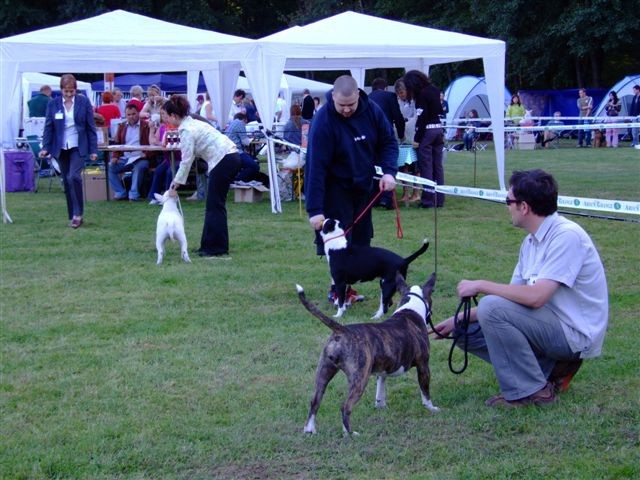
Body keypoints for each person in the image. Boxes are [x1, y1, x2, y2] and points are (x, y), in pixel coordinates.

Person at [432, 169, 608, 408]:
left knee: (491, 306)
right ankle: (553, 370)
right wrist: (458, 319)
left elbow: (535, 298)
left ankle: (532, 392)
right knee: (466, 330)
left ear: (524, 207)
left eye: (508, 202)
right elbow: (513, 300)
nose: (507, 207)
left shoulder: (567, 237)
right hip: (549, 325)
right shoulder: (531, 242)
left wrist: (482, 285)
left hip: (574, 334)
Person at [305, 75, 398, 303]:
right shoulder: (323, 120)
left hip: (364, 185)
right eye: (341, 105)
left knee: (361, 239)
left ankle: (350, 289)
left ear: (359, 95)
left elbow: (388, 141)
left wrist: (388, 171)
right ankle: (337, 290)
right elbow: (315, 167)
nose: (346, 110)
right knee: (339, 240)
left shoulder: (373, 111)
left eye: (351, 105)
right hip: (335, 187)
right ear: (333, 98)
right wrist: (315, 209)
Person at [164, 95, 241, 258]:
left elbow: (186, 160)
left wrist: (175, 183)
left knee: (215, 206)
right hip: (228, 157)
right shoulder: (193, 121)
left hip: (224, 159)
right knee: (212, 204)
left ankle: (216, 248)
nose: (165, 120)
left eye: (166, 115)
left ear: (173, 116)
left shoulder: (186, 130)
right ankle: (207, 245)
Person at [39, 74, 97, 228]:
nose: (70, 94)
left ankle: (78, 214)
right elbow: (49, 127)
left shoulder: (83, 102)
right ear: (61, 90)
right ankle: (73, 214)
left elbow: (91, 127)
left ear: (76, 90)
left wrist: (93, 149)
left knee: (74, 177)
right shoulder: (53, 104)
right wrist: (45, 147)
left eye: (72, 91)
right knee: (66, 181)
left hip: (78, 145)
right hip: (60, 147)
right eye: (66, 92)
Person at [402, 70, 444, 208]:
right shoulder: (435, 90)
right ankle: (440, 198)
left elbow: (422, 118)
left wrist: (417, 139)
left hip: (428, 132)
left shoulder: (421, 95)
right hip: (439, 129)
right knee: (438, 166)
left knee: (426, 166)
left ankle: (428, 200)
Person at [369, 77, 405, 209]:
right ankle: (386, 198)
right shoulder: (390, 96)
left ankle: (373, 198)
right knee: (387, 165)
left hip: (370, 136)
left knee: (373, 166)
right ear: (385, 88)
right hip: (385, 135)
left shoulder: (367, 97)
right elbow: (398, 117)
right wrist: (401, 135)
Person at [108, 103, 151, 201]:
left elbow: (152, 144)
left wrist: (146, 154)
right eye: (129, 114)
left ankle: (134, 195)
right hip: (125, 158)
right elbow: (117, 143)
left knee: (139, 167)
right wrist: (115, 156)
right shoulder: (122, 126)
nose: (131, 117)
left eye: (134, 114)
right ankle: (120, 193)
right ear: (125, 115)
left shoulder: (146, 126)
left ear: (138, 113)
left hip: (141, 157)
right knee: (110, 167)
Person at [394, 78, 421, 204]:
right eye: (398, 93)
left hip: (414, 138)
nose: (400, 95)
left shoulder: (416, 101)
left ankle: (416, 193)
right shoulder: (399, 102)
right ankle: (406, 193)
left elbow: (416, 118)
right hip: (403, 139)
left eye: (402, 92)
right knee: (403, 166)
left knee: (415, 167)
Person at [225, 112, 260, 182]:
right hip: (235, 151)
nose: (245, 124)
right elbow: (245, 142)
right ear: (244, 119)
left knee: (252, 160)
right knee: (254, 166)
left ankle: (241, 180)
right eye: (246, 123)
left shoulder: (233, 123)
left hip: (229, 150)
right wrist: (252, 138)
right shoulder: (240, 123)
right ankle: (237, 180)